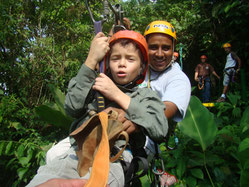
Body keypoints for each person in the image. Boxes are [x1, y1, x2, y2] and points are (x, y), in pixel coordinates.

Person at [27, 30, 169, 187]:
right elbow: (72, 108)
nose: (122, 63)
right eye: (115, 58)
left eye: (130, 59)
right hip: (77, 153)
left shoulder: (146, 96)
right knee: (45, 179)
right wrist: (91, 60)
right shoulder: (95, 86)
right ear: (108, 64)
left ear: (142, 67)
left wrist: (116, 94)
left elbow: (160, 129)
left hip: (114, 158)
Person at [139, 20, 191, 157]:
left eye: (166, 48)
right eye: (153, 47)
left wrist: (131, 120)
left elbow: (164, 111)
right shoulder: (139, 68)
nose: (160, 54)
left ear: (173, 49)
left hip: (145, 145)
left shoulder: (178, 79)